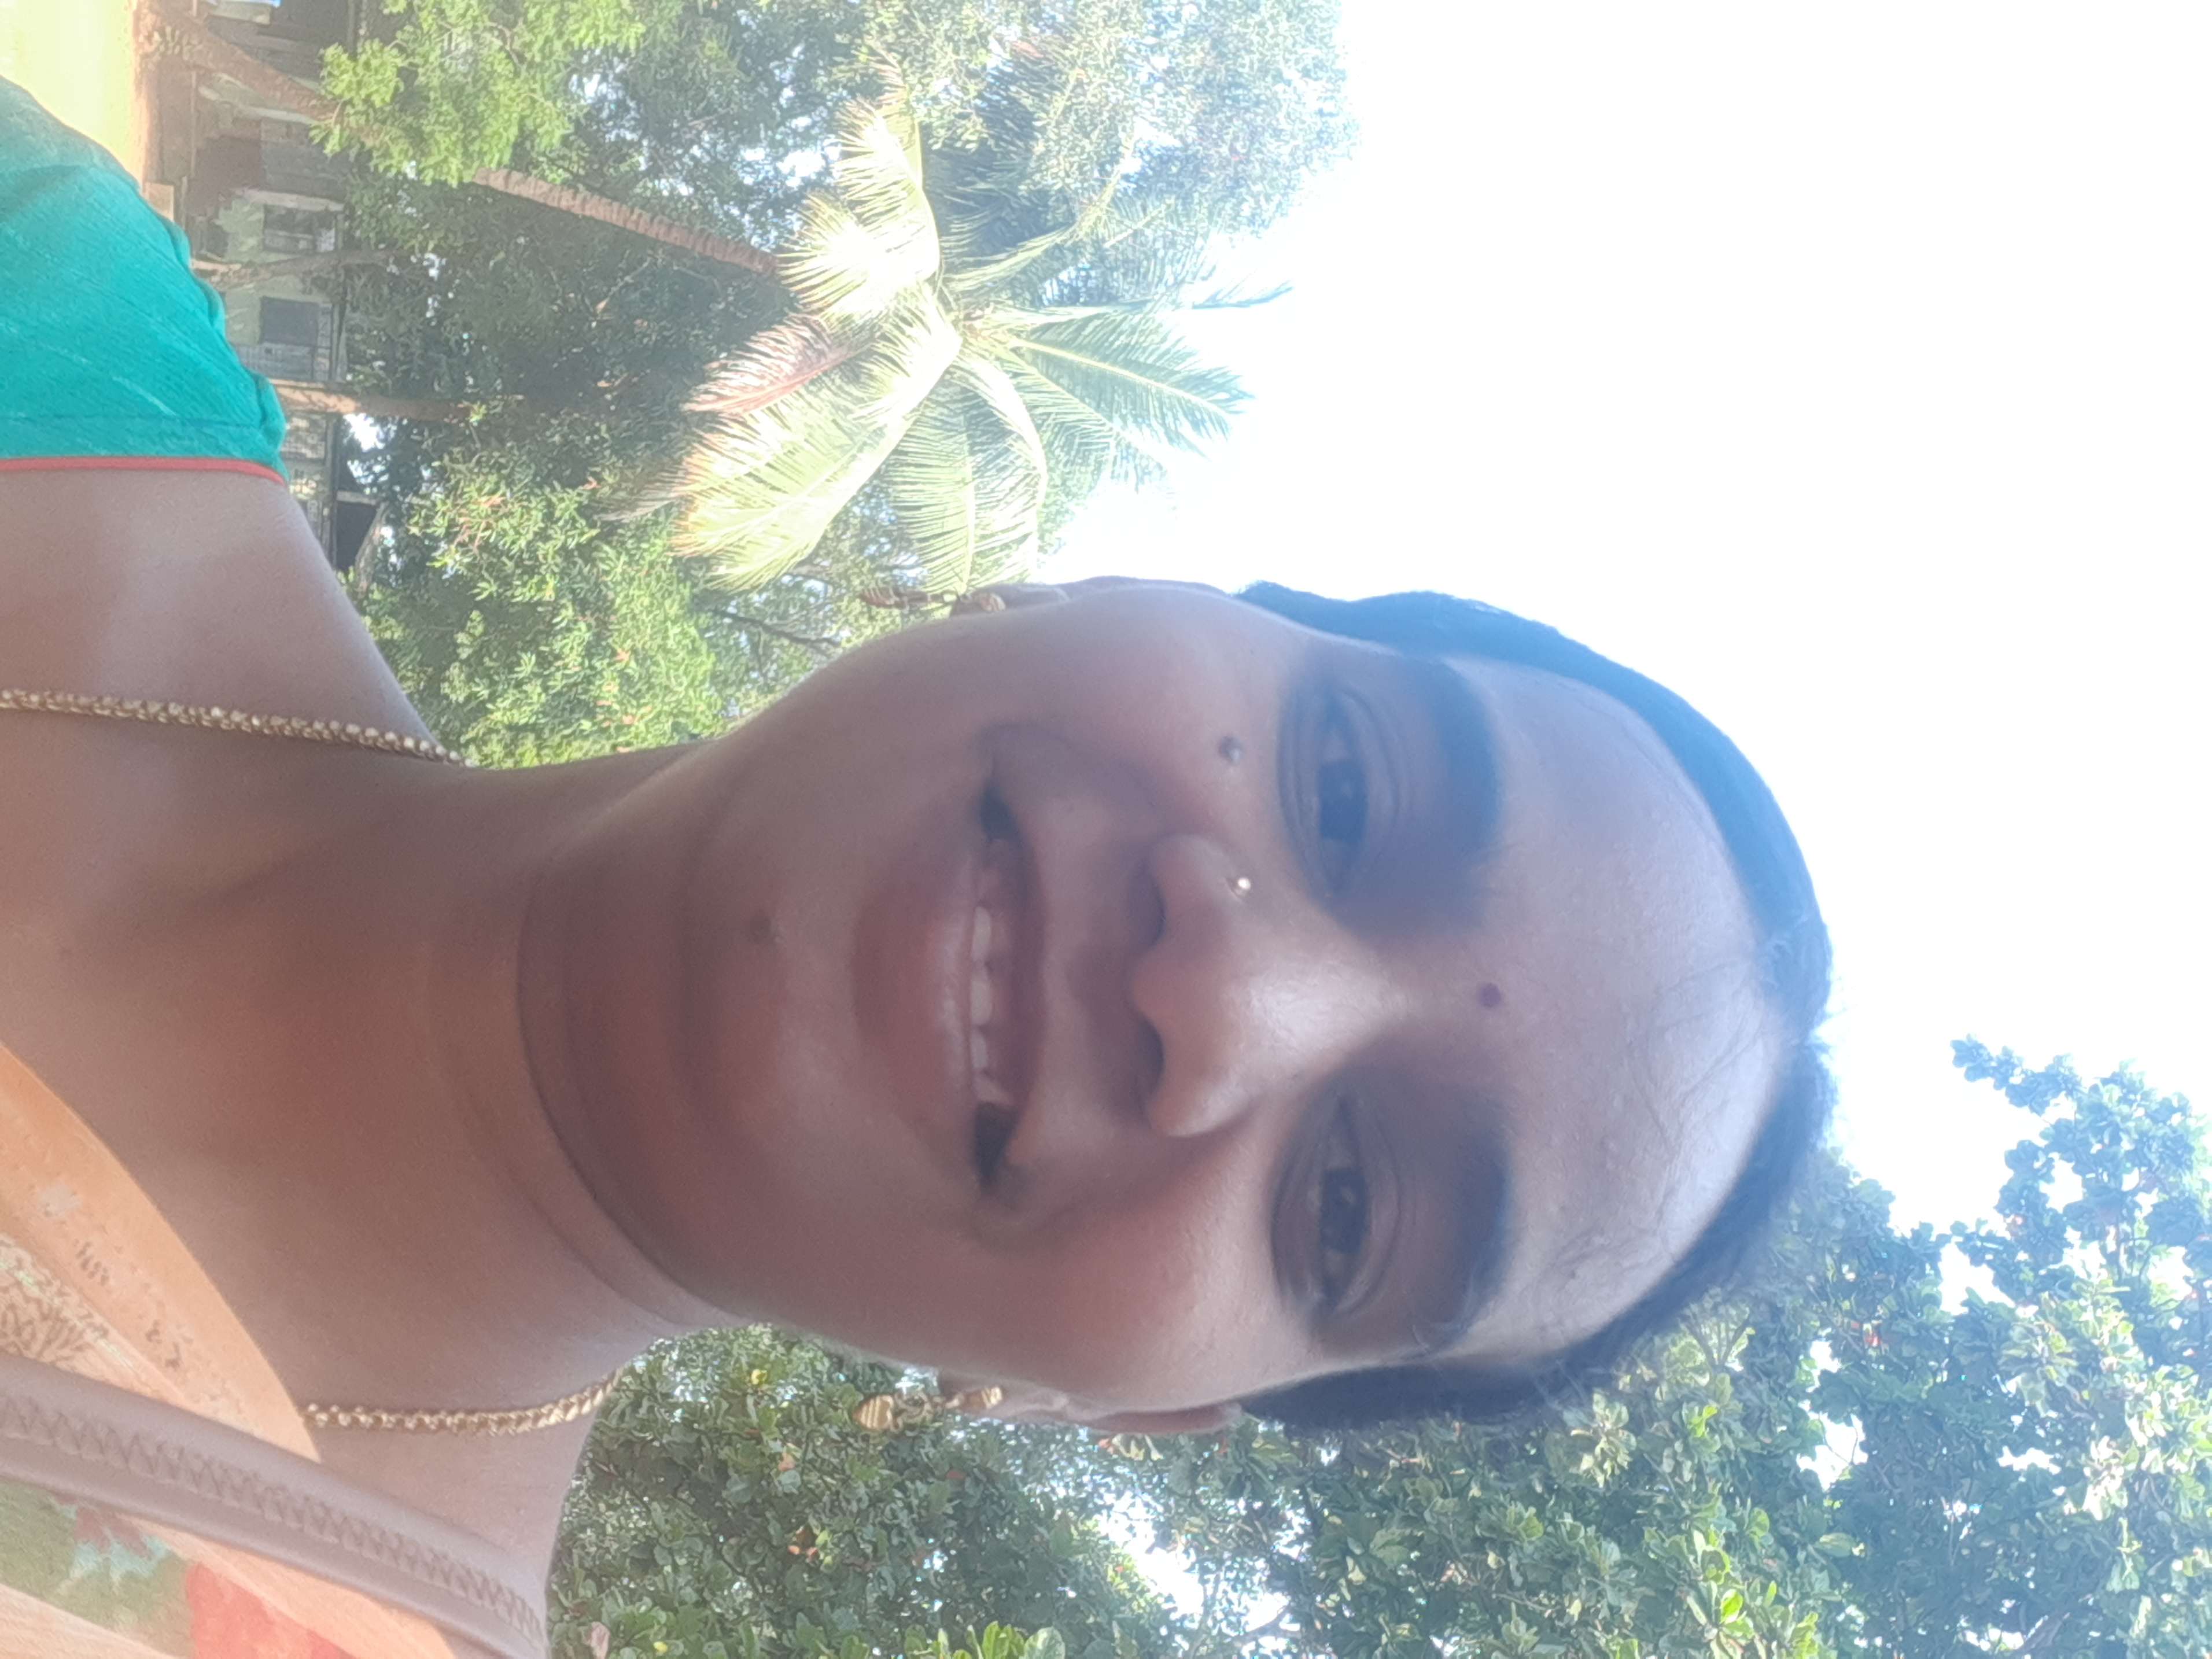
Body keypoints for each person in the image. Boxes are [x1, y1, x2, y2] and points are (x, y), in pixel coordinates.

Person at [0, 72, 1831, 1659]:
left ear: (1140, 1407)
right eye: (1345, 786)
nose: (1225, 997)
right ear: (1107, 587)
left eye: (1347, 1208)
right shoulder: (46, 296)